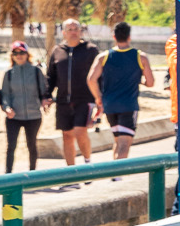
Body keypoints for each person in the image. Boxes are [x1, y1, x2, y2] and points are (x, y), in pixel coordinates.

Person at [87, 22, 154, 162]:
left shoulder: (104, 57)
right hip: (129, 105)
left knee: (118, 140)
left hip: (110, 106)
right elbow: (151, 82)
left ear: (114, 37)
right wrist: (141, 81)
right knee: (124, 144)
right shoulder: (140, 57)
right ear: (129, 37)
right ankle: (119, 172)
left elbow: (91, 79)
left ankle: (115, 170)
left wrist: (98, 98)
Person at [47, 20, 99, 167]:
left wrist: (99, 97)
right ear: (64, 33)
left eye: (76, 29)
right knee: (67, 135)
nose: (73, 32)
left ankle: (87, 164)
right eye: (70, 29)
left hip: (84, 99)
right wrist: (47, 96)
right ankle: (71, 171)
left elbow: (100, 75)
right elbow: (50, 76)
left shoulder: (90, 50)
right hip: (63, 101)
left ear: (80, 31)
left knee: (80, 131)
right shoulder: (57, 51)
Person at [0, 42, 48, 173]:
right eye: (15, 53)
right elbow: (5, 95)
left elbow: (44, 91)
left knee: (31, 145)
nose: (19, 55)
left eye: (21, 52)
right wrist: (7, 108)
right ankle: (8, 175)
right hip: (14, 117)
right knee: (11, 146)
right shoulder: (9, 74)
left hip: (33, 116)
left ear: (27, 54)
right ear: (12, 56)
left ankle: (32, 173)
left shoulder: (36, 72)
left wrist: (45, 101)